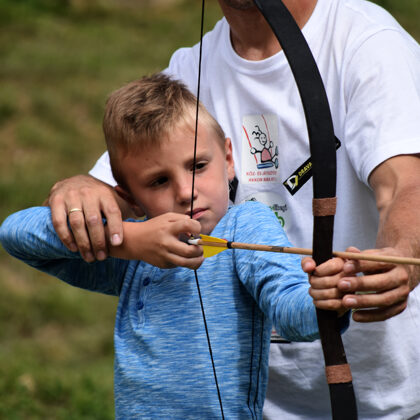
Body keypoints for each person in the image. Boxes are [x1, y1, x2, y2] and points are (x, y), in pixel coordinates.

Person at [46, 0, 420, 418]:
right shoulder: (190, 70)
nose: (184, 190)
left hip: (381, 401)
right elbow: (113, 194)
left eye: (198, 167)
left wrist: (399, 256)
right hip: (250, 405)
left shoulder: (367, 41)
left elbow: (407, 183)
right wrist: (80, 189)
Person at [0, 74, 350, 419]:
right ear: (129, 198)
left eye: (198, 166)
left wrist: (326, 299)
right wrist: (131, 241)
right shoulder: (134, 252)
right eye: (159, 181)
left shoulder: (246, 225)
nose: (185, 192)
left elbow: (290, 310)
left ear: (228, 160)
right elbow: (15, 235)